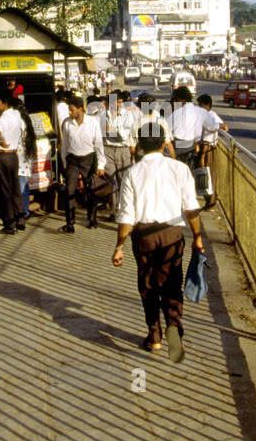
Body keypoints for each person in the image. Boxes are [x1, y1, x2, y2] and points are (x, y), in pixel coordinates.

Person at [111, 117, 204, 362]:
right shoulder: (179, 169)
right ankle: (174, 326)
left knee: (148, 284)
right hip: (172, 235)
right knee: (172, 283)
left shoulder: (132, 173)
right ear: (164, 143)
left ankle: (154, 337)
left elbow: (126, 215)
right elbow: (191, 209)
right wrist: (198, 237)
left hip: (143, 236)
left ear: (140, 145)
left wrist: (119, 246)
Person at [58, 94, 106, 233]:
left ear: (80, 109)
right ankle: (70, 223)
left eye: (72, 109)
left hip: (88, 160)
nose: (70, 112)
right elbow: (65, 145)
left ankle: (91, 219)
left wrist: (100, 165)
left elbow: (98, 145)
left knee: (91, 191)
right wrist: (64, 164)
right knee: (69, 191)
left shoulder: (92, 122)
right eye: (69, 109)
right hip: (72, 160)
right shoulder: (67, 123)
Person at [0, 89, 25, 234]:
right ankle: (20, 219)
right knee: (15, 188)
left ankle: (9, 223)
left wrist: (1, 140)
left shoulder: (4, 118)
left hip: (3, 155)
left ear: (4, 103)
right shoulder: (15, 114)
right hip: (13, 156)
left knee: (4, 190)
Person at [102, 90, 139, 221]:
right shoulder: (103, 115)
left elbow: (125, 134)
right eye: (116, 102)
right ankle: (114, 211)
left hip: (123, 150)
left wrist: (113, 130)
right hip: (107, 150)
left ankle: (127, 210)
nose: (119, 105)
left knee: (124, 181)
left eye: (120, 102)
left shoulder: (127, 114)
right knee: (112, 181)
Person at [197, 93, 225, 209]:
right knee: (207, 175)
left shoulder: (209, 117)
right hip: (206, 147)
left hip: (207, 149)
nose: (199, 107)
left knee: (208, 175)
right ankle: (210, 199)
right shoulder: (208, 115)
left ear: (207, 105)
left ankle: (211, 201)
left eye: (201, 105)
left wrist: (202, 156)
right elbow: (223, 126)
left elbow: (207, 140)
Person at [169, 86, 203, 171]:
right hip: (191, 146)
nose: (175, 103)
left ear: (182, 100)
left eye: (177, 100)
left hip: (178, 145)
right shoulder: (200, 111)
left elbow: (166, 128)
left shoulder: (176, 113)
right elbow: (213, 126)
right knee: (189, 170)